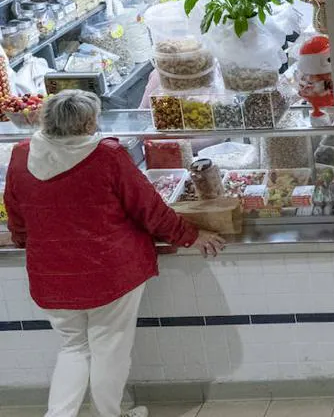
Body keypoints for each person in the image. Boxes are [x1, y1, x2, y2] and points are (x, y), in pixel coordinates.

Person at [3, 90, 225, 417]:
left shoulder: (22, 155)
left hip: (51, 278)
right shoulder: (106, 156)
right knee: (110, 350)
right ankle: (110, 414)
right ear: (89, 122)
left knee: (73, 348)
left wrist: (29, 243)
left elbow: (16, 216)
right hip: (109, 273)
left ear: (45, 120)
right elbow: (148, 209)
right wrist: (190, 236)